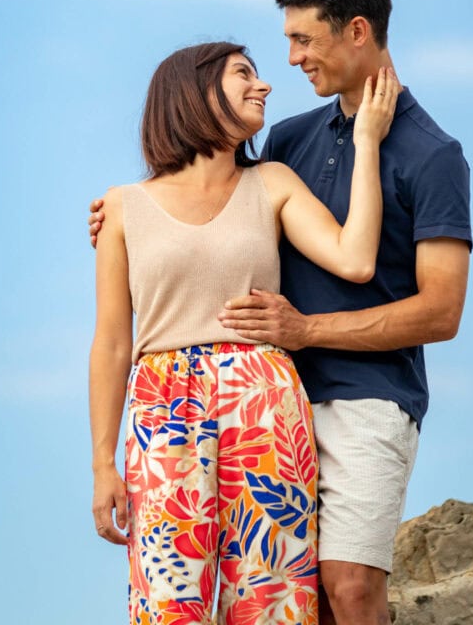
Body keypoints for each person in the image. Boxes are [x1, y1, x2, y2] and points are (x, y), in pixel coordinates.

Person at [89, 39, 398, 625]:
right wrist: (103, 463)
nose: (264, 85)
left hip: (265, 405)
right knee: (167, 601)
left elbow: (356, 259)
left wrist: (366, 143)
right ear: (195, 91)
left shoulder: (273, 183)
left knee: (273, 599)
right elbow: (110, 343)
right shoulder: (122, 208)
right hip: (162, 405)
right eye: (243, 74)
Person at [216, 0, 472, 625]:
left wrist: (308, 330)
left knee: (351, 587)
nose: (293, 58)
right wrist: (126, 210)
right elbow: (216, 209)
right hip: (275, 403)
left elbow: (441, 309)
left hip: (370, 399)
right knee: (290, 599)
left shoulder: (433, 155)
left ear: (356, 30)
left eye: (303, 38)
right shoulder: (287, 139)